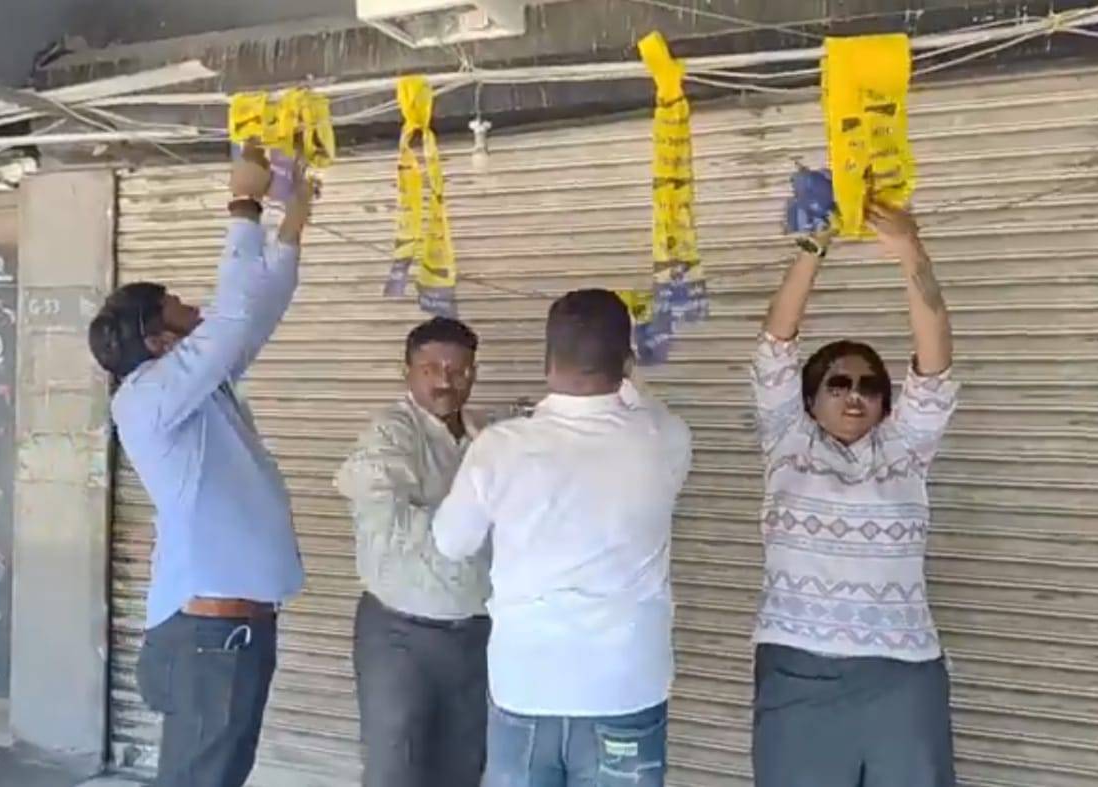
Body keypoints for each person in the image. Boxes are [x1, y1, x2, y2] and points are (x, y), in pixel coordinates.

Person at [87, 147, 311, 787]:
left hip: (230, 633)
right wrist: (244, 203)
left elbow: (255, 313)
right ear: (158, 340)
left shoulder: (194, 387)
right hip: (212, 638)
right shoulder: (150, 397)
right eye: (178, 305)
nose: (195, 307)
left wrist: (294, 218)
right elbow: (234, 316)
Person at [433, 289, 692, 787]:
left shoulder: (499, 447)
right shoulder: (664, 439)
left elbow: (451, 542)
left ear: (548, 361)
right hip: (625, 687)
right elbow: (641, 404)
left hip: (526, 684)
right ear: (627, 364)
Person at [749, 195, 958, 787]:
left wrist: (912, 253)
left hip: (902, 677)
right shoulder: (788, 442)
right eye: (837, 383)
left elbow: (935, 368)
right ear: (809, 398)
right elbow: (775, 346)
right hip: (798, 674)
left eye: (870, 386)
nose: (855, 394)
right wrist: (811, 249)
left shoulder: (904, 451)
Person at [334, 316, 493, 787]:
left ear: (473, 373)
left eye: (459, 370)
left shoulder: (485, 436)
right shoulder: (390, 434)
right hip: (402, 636)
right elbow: (386, 519)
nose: (446, 381)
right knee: (395, 767)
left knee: (463, 767)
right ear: (406, 371)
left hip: (474, 634)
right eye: (431, 369)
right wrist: (468, 527)